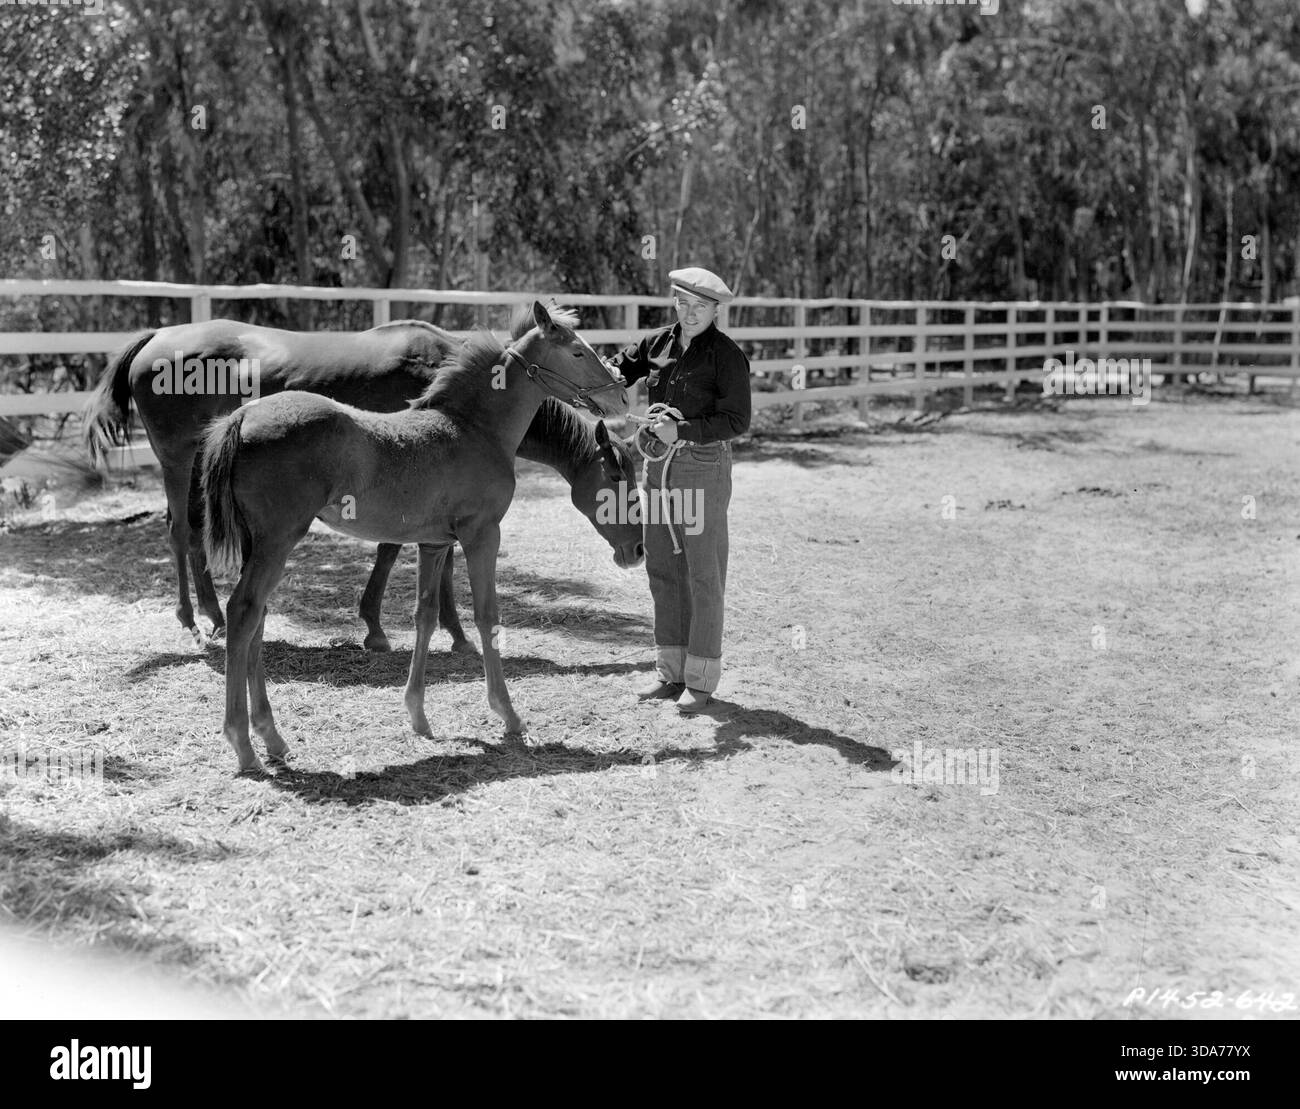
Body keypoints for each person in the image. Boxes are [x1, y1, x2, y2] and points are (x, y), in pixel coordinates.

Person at [606, 266, 751, 713]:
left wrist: (682, 429)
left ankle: (701, 680)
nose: (690, 313)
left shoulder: (726, 357)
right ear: (674, 303)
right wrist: (602, 374)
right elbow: (615, 369)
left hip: (702, 468)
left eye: (700, 307)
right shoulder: (656, 344)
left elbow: (737, 421)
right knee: (664, 569)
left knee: (703, 574)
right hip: (658, 469)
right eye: (682, 304)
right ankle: (670, 673)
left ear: (715, 310)